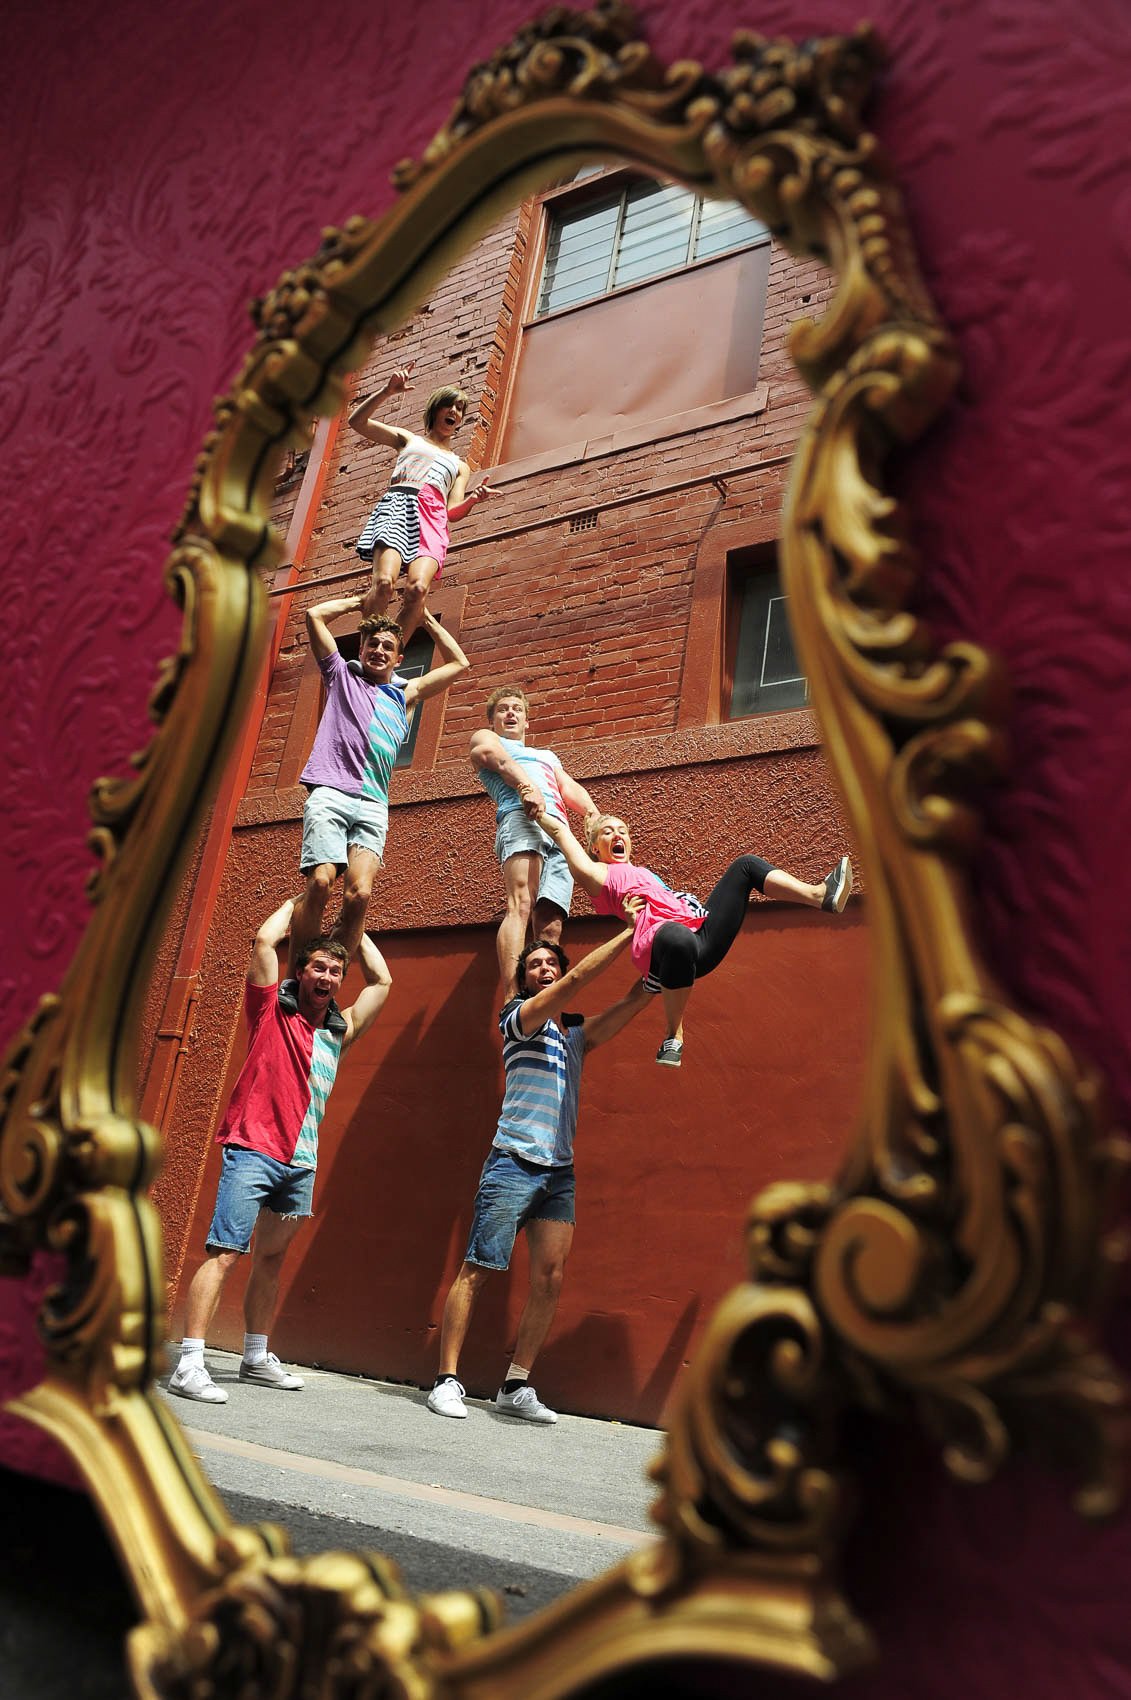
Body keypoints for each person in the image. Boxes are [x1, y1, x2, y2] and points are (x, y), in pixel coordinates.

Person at [427, 915, 649, 1424]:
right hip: (512, 1163)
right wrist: (630, 930)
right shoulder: (518, 1018)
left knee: (549, 1277)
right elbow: (575, 983)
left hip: (558, 1172)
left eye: (551, 962)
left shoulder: (572, 1034)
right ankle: (445, 1380)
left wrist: (657, 977)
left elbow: (628, 1005)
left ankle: (516, 1385)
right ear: (525, 979)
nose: (545, 968)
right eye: (536, 964)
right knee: (479, 1269)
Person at [168, 901, 392, 1404]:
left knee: (269, 1259)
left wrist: (355, 929)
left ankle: (254, 1356)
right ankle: (190, 1362)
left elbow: (382, 983)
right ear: (301, 973)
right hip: (253, 1148)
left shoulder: (340, 1031)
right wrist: (304, 901)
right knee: (226, 1254)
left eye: (336, 971)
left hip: (301, 1161)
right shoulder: (271, 1011)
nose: (329, 977)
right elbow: (265, 942)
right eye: (319, 967)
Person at [534, 808, 853, 1070]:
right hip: (666, 943)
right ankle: (673, 1034)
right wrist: (534, 806)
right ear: (594, 849)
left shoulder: (645, 874)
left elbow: (635, 998)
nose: (618, 835)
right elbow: (562, 833)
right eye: (608, 833)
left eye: (623, 831)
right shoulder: (598, 876)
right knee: (674, 937)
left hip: (703, 933)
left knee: (745, 866)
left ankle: (819, 895)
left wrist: (596, 818)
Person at [285, 597, 470, 988]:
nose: (379, 650)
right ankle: (295, 980)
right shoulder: (341, 676)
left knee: (359, 895)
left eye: (388, 646)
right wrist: (358, 602)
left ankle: (329, 978)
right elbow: (314, 615)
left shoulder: (403, 695)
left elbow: (459, 664)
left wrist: (426, 622)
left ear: (399, 657)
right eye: (373, 644)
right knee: (320, 883)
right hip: (332, 792)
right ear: (363, 648)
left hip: (372, 804)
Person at [349, 361, 496, 640]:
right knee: (383, 583)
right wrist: (386, 392)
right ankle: (368, 645)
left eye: (459, 409)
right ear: (435, 410)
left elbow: (452, 511)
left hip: (433, 520)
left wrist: (473, 500)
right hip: (399, 506)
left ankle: (393, 652)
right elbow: (356, 423)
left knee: (417, 589)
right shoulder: (409, 440)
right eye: (448, 405)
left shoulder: (459, 465)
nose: (454, 411)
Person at [470, 685, 599, 996]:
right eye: (503, 709)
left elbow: (567, 787)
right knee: (521, 904)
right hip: (521, 816)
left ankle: (542, 999)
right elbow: (491, 757)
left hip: (559, 831)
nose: (511, 712)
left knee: (551, 921)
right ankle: (513, 996)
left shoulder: (546, 756)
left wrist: (593, 815)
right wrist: (527, 786)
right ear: (493, 720)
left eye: (517, 708)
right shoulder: (487, 739)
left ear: (527, 721)